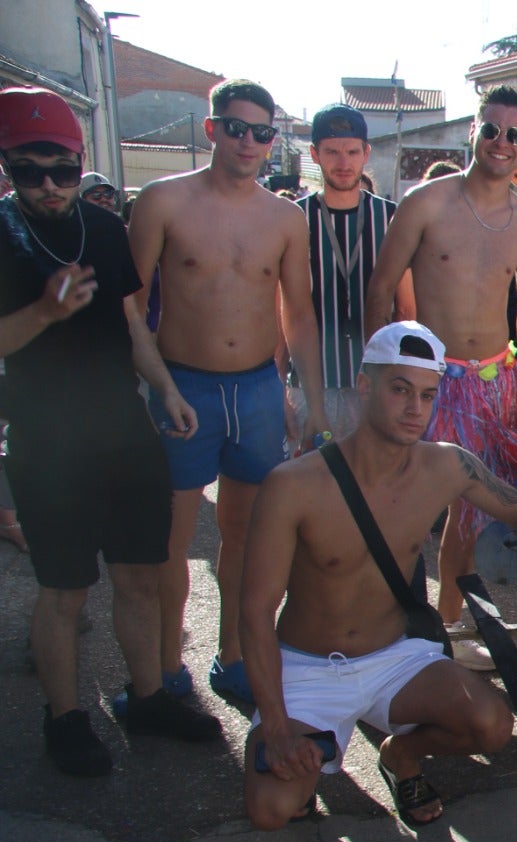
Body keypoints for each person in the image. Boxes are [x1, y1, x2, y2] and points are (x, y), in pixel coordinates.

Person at [241, 321, 517, 829]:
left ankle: (400, 754)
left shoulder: (445, 466)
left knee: (491, 726)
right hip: (308, 666)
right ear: (364, 386)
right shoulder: (292, 485)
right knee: (273, 811)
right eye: (399, 390)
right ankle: (305, 758)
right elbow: (253, 612)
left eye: (426, 395)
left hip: (392, 658)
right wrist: (274, 725)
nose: (414, 410)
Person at [0, 85, 222, 776]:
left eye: (62, 170)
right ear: (7, 166)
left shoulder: (103, 228)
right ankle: (66, 719)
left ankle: (148, 697)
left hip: (124, 432)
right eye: (28, 170)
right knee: (65, 590)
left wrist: (166, 390)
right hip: (46, 443)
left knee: (141, 577)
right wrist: (42, 312)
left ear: (80, 161)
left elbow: (130, 324)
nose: (49, 186)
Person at [126, 78, 324, 710]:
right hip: (182, 385)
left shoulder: (285, 217)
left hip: (258, 392)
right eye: (235, 128)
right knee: (170, 542)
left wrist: (309, 397)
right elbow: (129, 307)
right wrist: (158, 385)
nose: (248, 141)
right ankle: (165, 666)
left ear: (273, 142)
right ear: (211, 129)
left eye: (261, 132)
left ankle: (232, 655)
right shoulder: (162, 201)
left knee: (245, 537)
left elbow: (299, 311)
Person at [363, 85, 517, 664]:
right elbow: (379, 291)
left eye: (513, 134)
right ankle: (387, 627)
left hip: (493, 382)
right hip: (425, 378)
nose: (500, 142)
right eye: (491, 129)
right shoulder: (425, 203)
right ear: (473, 130)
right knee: (399, 506)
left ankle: (442, 631)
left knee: (467, 514)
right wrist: (376, 379)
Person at [286, 104, 414, 443]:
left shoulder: (391, 218)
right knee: (312, 489)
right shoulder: (292, 219)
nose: (343, 163)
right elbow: (280, 315)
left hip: (375, 385)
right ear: (314, 154)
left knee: (375, 489)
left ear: (365, 153)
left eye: (352, 152)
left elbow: (406, 310)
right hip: (311, 386)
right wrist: (276, 387)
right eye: (332, 152)